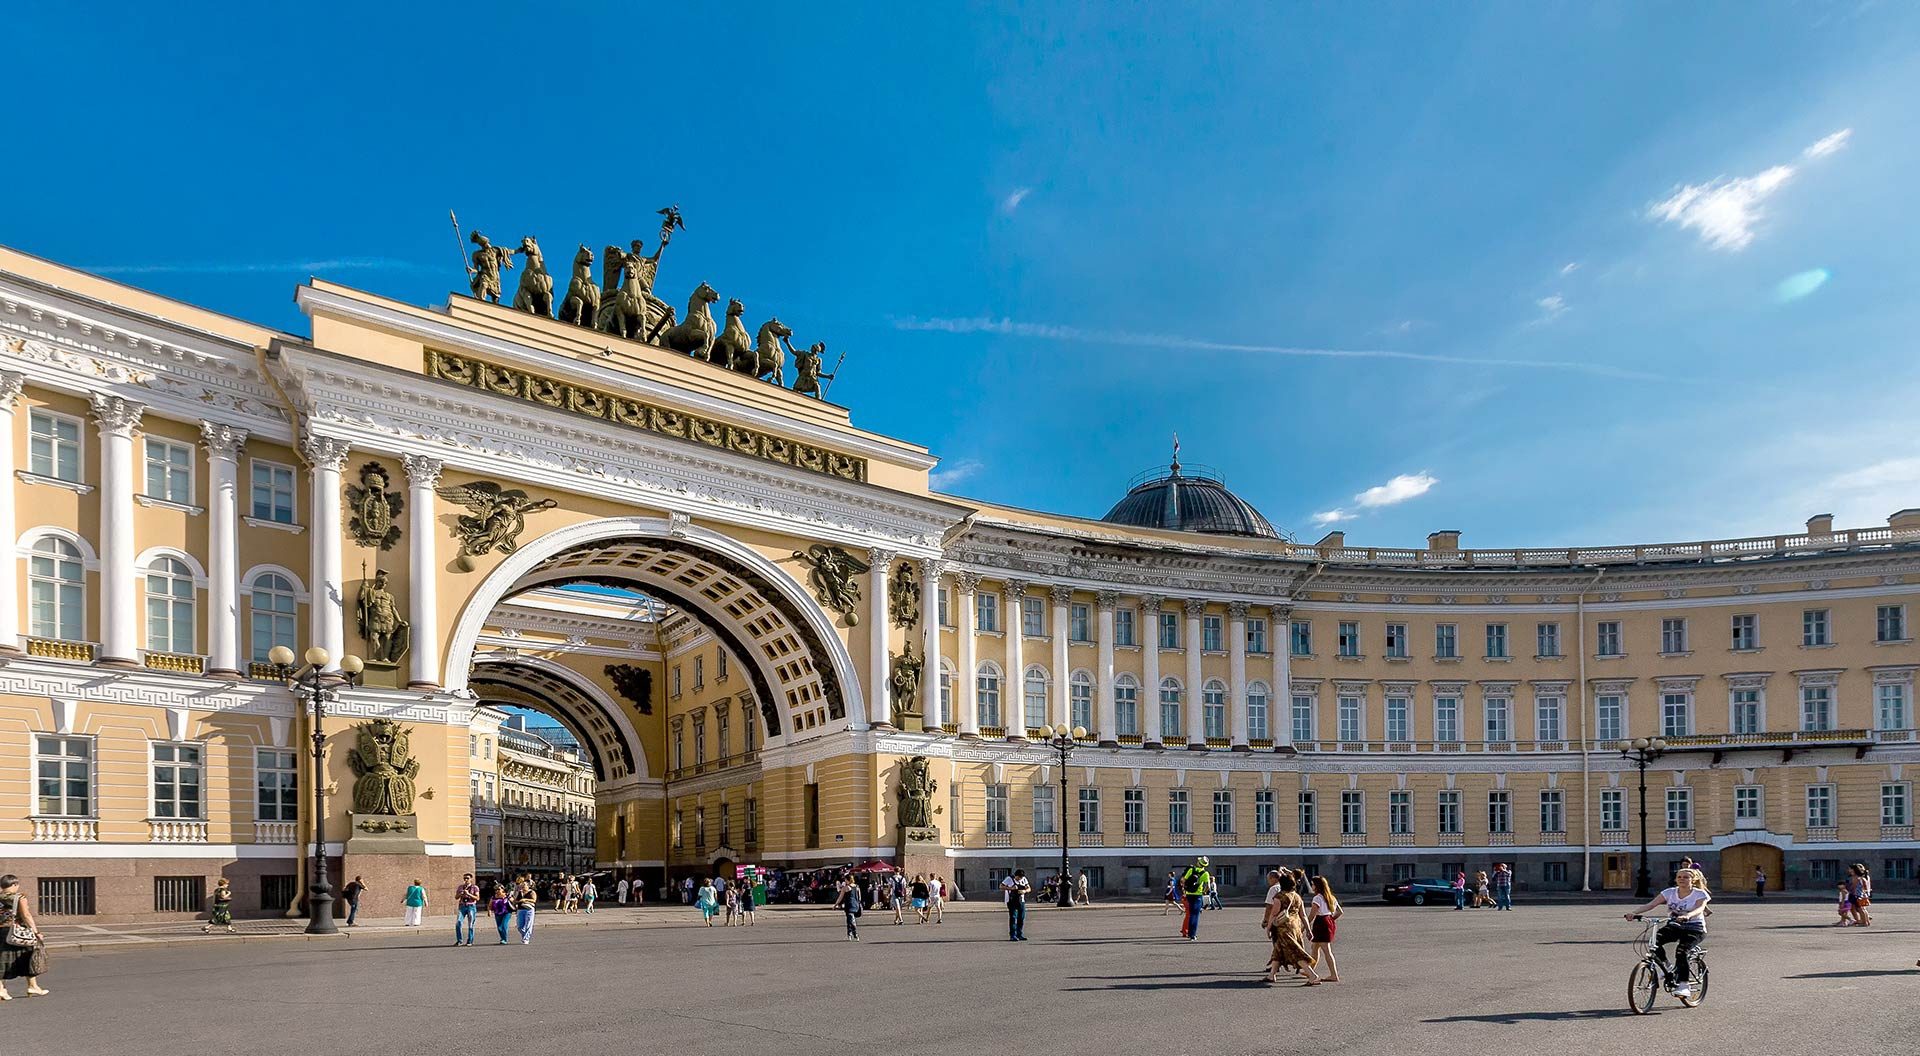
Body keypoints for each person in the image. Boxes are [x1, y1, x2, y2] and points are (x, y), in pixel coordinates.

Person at [1625, 866, 1712, 1000]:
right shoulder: (1669, 892)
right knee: (1655, 942)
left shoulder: (1699, 894)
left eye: (1685, 877)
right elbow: (1651, 904)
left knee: (1681, 951)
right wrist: (1634, 913)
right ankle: (1666, 965)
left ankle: (1684, 985)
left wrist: (1688, 915)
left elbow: (1700, 909)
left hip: (1695, 928)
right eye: (1679, 877)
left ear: (1693, 879)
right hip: (1675, 925)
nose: (1682, 879)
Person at [1262, 871, 1319, 985]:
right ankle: (1271, 975)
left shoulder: (1279, 897)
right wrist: (1308, 929)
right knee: (1278, 949)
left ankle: (1313, 975)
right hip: (1296, 926)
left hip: (1284, 927)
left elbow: (1273, 914)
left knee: (1295, 951)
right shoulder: (1297, 897)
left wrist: (1268, 928)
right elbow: (1303, 915)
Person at [0, 874, 50, 1000]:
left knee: (2, 960)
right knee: (28, 956)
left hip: (1, 932)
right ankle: (32, 986)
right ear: (14, 885)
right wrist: (36, 932)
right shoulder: (19, 897)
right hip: (17, 933)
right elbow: (26, 915)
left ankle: (1, 990)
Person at [1306, 875, 1342, 983]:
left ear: (1316, 886)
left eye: (1312, 884)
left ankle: (1334, 975)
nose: (1311, 886)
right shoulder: (1331, 897)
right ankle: (1310, 970)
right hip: (1328, 921)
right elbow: (1340, 912)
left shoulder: (1317, 898)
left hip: (1321, 923)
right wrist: (1330, 919)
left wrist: (1305, 926)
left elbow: (1312, 915)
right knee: (1315, 947)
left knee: (1326, 950)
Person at [1179, 857, 1211, 940]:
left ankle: (1188, 932)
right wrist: (1204, 892)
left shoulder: (1191, 870)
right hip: (1198, 895)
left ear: (1198, 862)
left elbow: (1183, 880)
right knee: (1195, 915)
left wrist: (1185, 889)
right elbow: (1208, 886)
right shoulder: (1205, 873)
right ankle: (1192, 935)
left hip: (1189, 894)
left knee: (1189, 914)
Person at [1002, 869, 1031, 941]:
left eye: (1021, 877)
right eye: (1019, 877)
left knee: (1021, 917)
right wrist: (1011, 888)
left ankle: (1019, 934)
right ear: (1016, 875)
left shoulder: (1024, 879)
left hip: (1021, 901)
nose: (1020, 879)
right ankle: (1012, 935)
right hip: (1011, 901)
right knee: (1013, 917)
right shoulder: (1009, 879)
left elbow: (1029, 888)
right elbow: (1001, 886)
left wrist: (1025, 891)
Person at [452, 872, 481, 946]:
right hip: (462, 906)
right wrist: (460, 894)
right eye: (464, 878)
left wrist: (468, 894)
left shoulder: (475, 887)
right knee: (458, 922)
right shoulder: (460, 887)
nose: (466, 880)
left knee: (471, 924)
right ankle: (459, 940)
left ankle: (470, 940)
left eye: (467, 878)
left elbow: (477, 898)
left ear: (471, 879)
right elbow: (456, 897)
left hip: (471, 906)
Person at [512, 874, 539, 944]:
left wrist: (525, 900)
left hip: (529, 910)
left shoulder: (532, 892)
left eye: (524, 886)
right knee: (519, 926)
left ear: (528, 886)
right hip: (520, 910)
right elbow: (516, 901)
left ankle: (526, 938)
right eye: (522, 886)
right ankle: (525, 936)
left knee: (528, 925)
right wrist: (514, 901)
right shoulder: (519, 893)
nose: (522, 887)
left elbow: (534, 900)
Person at [836, 876, 863, 941]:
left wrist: (835, 904)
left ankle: (855, 934)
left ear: (847, 880)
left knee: (851, 920)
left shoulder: (846, 888)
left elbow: (840, 897)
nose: (845, 881)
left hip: (849, 905)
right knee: (849, 920)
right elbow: (859, 897)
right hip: (856, 905)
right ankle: (850, 934)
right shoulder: (857, 887)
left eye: (845, 880)